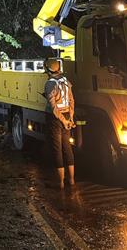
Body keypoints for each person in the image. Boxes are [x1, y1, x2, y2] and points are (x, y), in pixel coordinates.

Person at [44, 57, 75, 189]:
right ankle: (72, 180)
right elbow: (71, 101)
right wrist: (70, 119)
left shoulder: (50, 84)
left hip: (56, 119)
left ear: (48, 70)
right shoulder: (66, 82)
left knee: (57, 149)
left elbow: (53, 107)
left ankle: (60, 182)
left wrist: (62, 120)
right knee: (67, 148)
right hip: (67, 115)